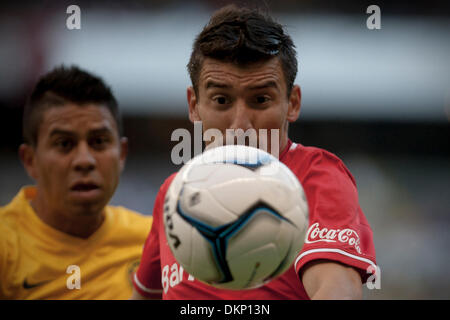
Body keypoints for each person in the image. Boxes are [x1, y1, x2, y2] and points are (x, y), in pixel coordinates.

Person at [132, 5, 377, 300]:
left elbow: (337, 290)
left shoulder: (318, 178)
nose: (240, 125)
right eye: (221, 100)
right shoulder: (171, 194)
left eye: (260, 100)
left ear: (293, 103)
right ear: (194, 105)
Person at [0, 66, 152, 299]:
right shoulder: (6, 247)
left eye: (99, 141)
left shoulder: (154, 240)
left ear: (121, 154)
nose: (85, 161)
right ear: (30, 160)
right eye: (64, 144)